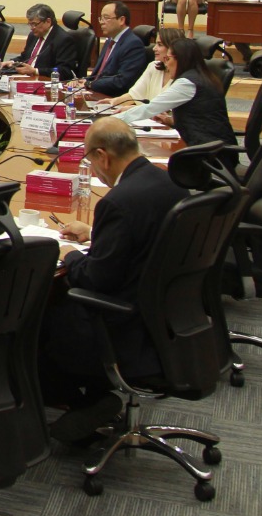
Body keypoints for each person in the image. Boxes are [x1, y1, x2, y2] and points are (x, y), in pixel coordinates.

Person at [41, 119, 189, 439]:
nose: (94, 171)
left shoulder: (118, 202)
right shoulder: (171, 183)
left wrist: (69, 254)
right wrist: (95, 235)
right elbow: (148, 241)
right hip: (170, 319)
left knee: (41, 316)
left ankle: (84, 402)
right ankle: (89, 402)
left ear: (102, 156)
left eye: (90, 161)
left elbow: (96, 279)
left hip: (127, 327)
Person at [117, 37, 238, 151]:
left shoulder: (187, 83)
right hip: (212, 145)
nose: (166, 64)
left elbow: (150, 108)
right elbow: (201, 117)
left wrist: (106, 123)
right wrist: (170, 120)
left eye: (167, 59)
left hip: (210, 152)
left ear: (180, 59)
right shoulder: (201, 76)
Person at [81, 1, 148, 97]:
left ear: (121, 20)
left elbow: (122, 81)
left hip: (114, 99)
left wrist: (90, 84)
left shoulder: (133, 44)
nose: (101, 22)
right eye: (101, 18)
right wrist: (85, 81)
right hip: (97, 93)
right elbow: (99, 74)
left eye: (106, 18)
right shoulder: (110, 40)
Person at [8, 4, 82, 80]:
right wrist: (12, 62)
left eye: (34, 24)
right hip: (26, 78)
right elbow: (25, 57)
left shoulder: (63, 39)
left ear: (48, 21)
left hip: (46, 82)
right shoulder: (33, 35)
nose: (31, 28)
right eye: (30, 24)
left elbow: (65, 71)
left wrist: (35, 71)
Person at [111, 28, 183, 107]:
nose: (154, 48)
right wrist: (113, 102)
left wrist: (133, 109)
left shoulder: (184, 79)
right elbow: (133, 95)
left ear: (172, 48)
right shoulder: (153, 66)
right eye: (155, 44)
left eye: (159, 45)